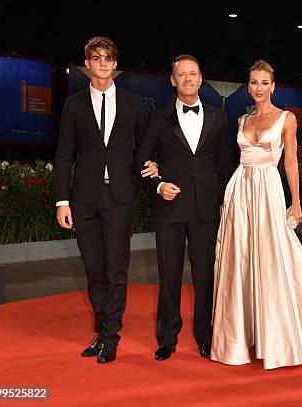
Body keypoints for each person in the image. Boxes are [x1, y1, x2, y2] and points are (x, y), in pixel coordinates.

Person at [211, 60, 302, 369]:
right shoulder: (240, 119)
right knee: (242, 257)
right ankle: (242, 332)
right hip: (240, 190)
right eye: (254, 82)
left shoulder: (286, 119)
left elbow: (290, 162)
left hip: (268, 188)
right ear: (248, 86)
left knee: (274, 256)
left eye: (265, 83)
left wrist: (296, 202)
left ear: (273, 86)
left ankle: (278, 335)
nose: (259, 88)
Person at [54, 36, 156, 363]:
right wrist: (62, 201)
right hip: (84, 199)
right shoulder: (74, 105)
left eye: (107, 58)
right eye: (95, 58)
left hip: (119, 196)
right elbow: (64, 156)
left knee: (117, 268)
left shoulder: (132, 103)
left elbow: (147, 146)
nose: (101, 63)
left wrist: (154, 166)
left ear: (115, 63)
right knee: (94, 268)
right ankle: (102, 326)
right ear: (87, 65)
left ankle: (110, 335)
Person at [135, 54, 234, 361]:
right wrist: (158, 185)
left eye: (193, 74)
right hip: (169, 208)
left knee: (205, 276)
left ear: (201, 79)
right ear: (172, 80)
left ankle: (206, 337)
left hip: (206, 210)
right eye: (182, 74)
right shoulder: (159, 117)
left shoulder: (218, 117)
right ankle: (167, 338)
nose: (188, 79)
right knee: (169, 274)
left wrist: (220, 200)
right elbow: (141, 160)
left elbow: (226, 165)